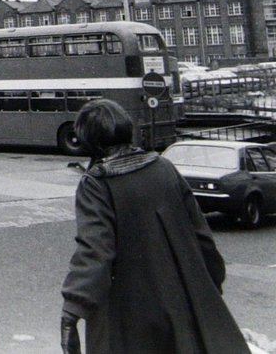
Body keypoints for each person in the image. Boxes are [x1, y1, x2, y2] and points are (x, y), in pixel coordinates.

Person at [60, 99, 249, 354]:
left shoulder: (96, 184)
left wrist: (72, 310)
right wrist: (208, 287)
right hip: (182, 302)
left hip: (131, 315)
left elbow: (95, 252)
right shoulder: (164, 167)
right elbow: (201, 235)